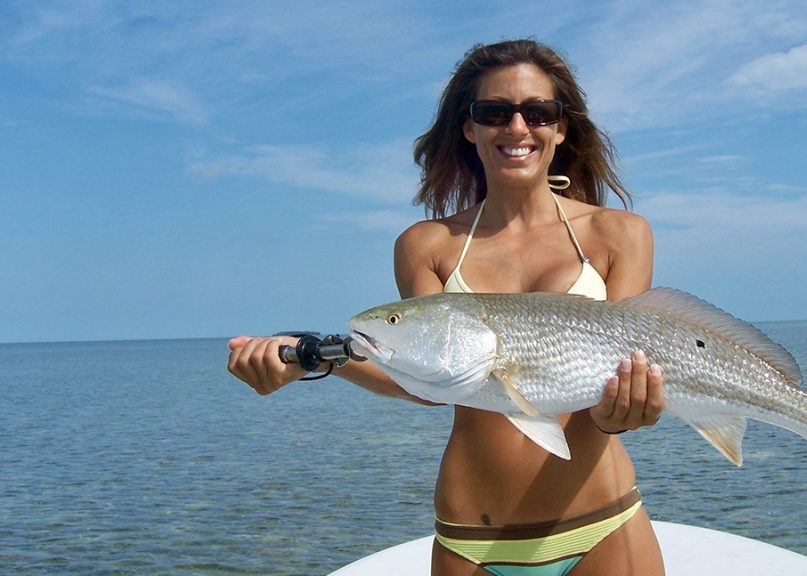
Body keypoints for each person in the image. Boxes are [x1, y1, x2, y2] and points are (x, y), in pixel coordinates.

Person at [228, 39, 666, 576]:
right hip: (471, 540)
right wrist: (310, 356)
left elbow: (621, 376)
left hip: (604, 523)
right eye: (494, 112)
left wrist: (621, 413)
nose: (517, 127)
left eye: (538, 111)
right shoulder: (426, 245)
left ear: (561, 126)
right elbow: (429, 381)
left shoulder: (619, 235)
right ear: (469, 127)